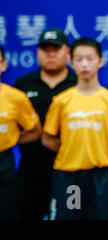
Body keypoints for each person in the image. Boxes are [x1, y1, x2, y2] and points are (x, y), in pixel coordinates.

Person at [41, 38, 108, 220]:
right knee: (69, 217)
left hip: (99, 177)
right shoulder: (61, 100)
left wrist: (100, 147)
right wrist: (72, 149)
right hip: (69, 177)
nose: (85, 64)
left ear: (100, 61)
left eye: (90, 58)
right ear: (71, 62)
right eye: (79, 59)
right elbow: (47, 138)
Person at [14, 28, 77, 220]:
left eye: (55, 49)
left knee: (72, 215)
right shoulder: (23, 85)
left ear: (67, 53)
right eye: (44, 49)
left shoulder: (78, 84)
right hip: (29, 171)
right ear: (37, 53)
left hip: (71, 171)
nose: (50, 54)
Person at [0, 45, 41, 220]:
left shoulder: (16, 98)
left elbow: (35, 130)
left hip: (3, 161)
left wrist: (12, 139)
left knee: (6, 209)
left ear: (3, 65)